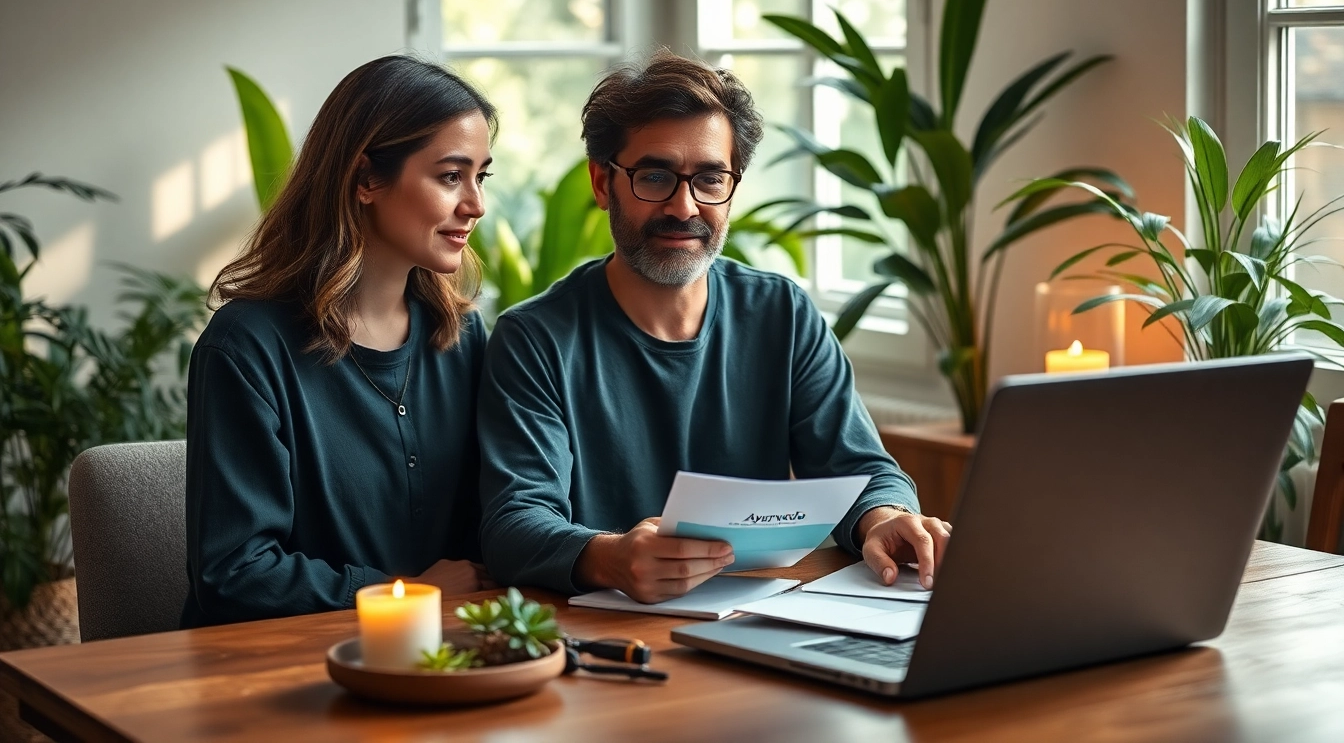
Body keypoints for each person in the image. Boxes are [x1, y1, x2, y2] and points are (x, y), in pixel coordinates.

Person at [477, 49, 952, 604]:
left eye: (709, 178)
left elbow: (862, 466)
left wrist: (883, 519)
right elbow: (514, 523)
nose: (684, 207)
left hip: (764, 615)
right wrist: (610, 558)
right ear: (603, 183)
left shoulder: (783, 314)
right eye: (654, 176)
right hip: (604, 634)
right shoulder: (534, 340)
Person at [182, 56, 496, 627]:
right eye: (451, 176)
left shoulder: (462, 336)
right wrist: (407, 594)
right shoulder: (246, 349)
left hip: (443, 663)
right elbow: (234, 573)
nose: (475, 204)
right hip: (277, 678)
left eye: (481, 176)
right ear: (366, 179)